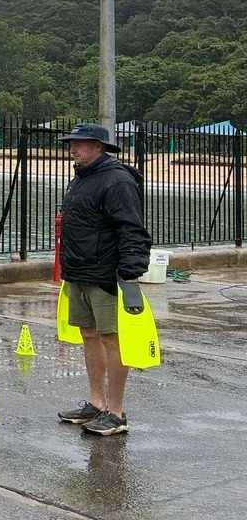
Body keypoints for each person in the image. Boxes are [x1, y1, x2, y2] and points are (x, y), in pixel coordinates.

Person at [55, 123, 152, 436]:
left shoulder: (117, 180)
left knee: (112, 338)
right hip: (79, 271)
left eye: (78, 144)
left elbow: (132, 229)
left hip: (106, 274)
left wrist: (132, 272)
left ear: (98, 146)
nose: (72, 149)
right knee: (88, 334)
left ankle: (116, 412)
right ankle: (96, 404)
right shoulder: (82, 179)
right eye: (71, 144)